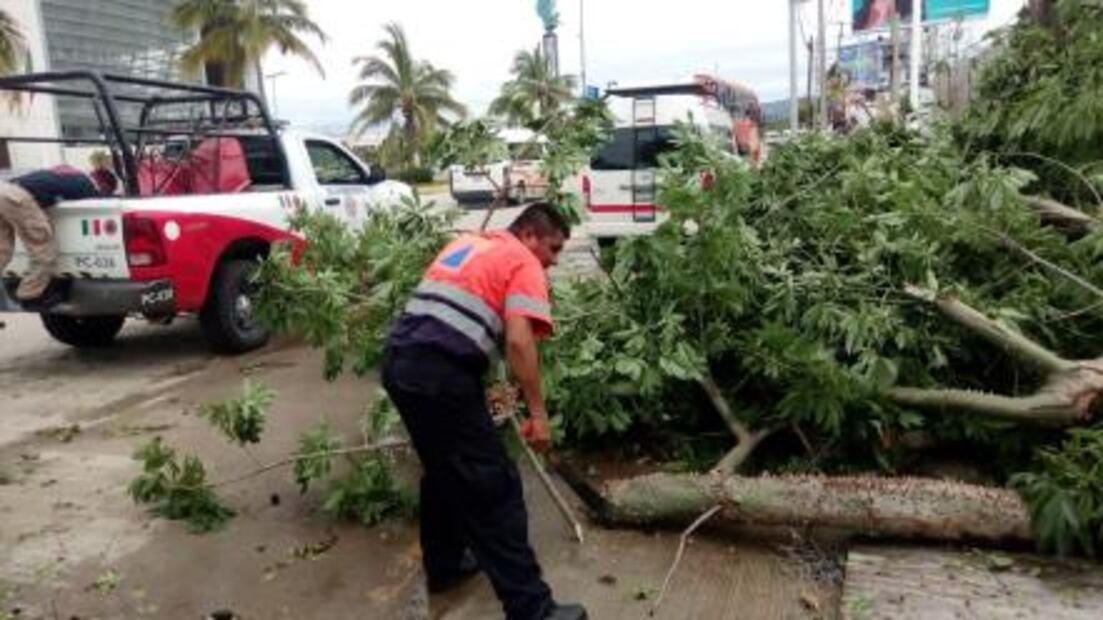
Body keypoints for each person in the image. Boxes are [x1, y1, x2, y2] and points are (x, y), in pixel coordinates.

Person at [382, 203, 587, 620]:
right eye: (553, 248)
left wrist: (486, 389)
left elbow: (460, 321)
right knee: (495, 489)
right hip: (441, 377)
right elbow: (519, 342)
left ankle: (444, 566)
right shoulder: (523, 261)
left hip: (400, 366)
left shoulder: (470, 244)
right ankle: (533, 610)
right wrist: (538, 415)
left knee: (442, 470)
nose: (553, 260)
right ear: (529, 236)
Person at [0, 161, 118, 304]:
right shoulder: (85, 183)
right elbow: (97, 200)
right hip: (18, 199)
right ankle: (29, 294)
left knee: (3, 250)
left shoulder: (69, 171)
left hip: (5, 189)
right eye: (107, 190)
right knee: (43, 251)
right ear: (103, 184)